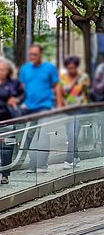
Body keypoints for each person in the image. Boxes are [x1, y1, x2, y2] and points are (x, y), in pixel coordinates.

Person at [19, 44, 64, 172]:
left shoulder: (49, 68)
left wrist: (59, 104)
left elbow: (56, 86)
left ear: (40, 55)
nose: (32, 57)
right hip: (29, 107)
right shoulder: (25, 69)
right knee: (30, 135)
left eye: (35, 54)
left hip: (45, 106)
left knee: (43, 134)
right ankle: (33, 163)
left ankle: (42, 164)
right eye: (31, 54)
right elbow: (22, 86)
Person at [59, 56, 90, 168]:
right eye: (69, 68)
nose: (71, 70)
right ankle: (76, 156)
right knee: (70, 134)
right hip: (67, 110)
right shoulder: (63, 78)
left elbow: (87, 93)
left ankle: (69, 159)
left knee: (73, 132)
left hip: (79, 109)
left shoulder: (83, 77)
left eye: (73, 67)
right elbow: (60, 94)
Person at [0, 58, 24, 184]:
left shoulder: (13, 83)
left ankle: (5, 174)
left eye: (3, 70)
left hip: (8, 119)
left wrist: (16, 100)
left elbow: (22, 95)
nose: (1, 72)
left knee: (7, 147)